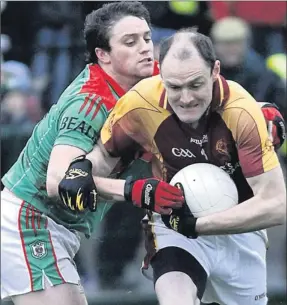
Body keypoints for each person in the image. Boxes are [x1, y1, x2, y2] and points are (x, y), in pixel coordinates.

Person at [56, 28, 286, 305]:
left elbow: (276, 205)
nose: (186, 98)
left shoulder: (244, 112)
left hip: (238, 230)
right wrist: (83, 167)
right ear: (160, 73)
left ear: (215, 71)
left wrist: (200, 225)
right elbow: (105, 155)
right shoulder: (141, 102)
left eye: (196, 84)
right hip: (174, 225)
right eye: (174, 86)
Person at [0, 2, 185, 305]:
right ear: (103, 55)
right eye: (130, 42)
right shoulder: (90, 103)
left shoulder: (151, 78)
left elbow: (203, 81)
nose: (144, 48)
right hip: (31, 222)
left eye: (146, 38)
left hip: (57, 228)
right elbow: (59, 179)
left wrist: (256, 111)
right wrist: (135, 190)